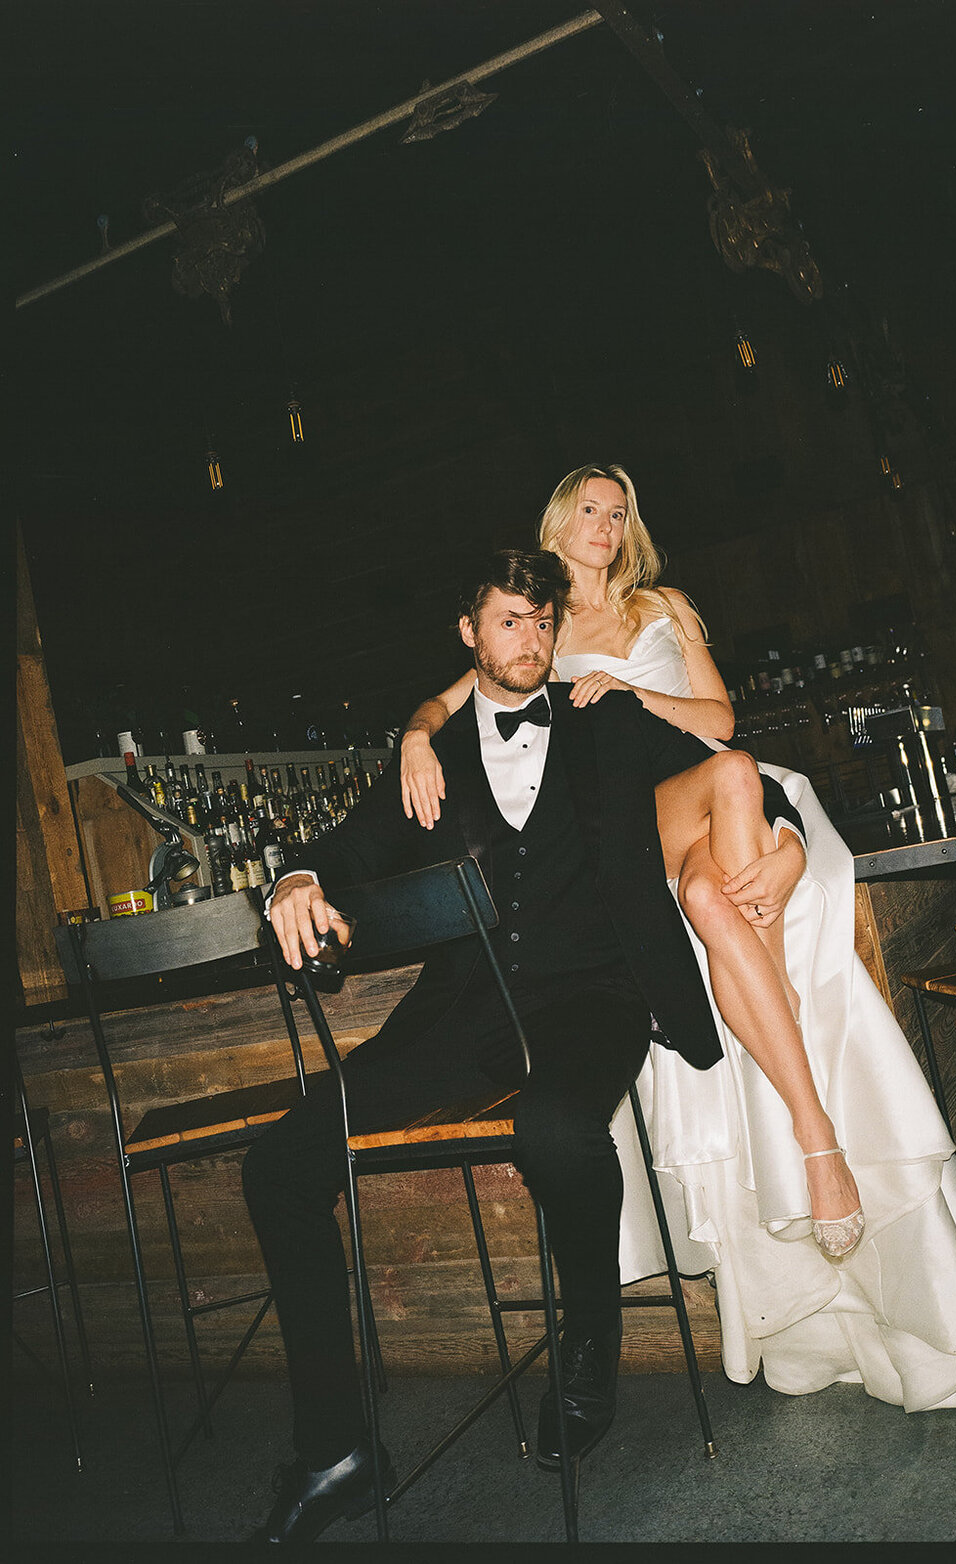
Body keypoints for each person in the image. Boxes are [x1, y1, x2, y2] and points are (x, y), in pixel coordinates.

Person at [399, 464, 956, 1415]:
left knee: (720, 887)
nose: (604, 524)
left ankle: (815, 1136)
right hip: (633, 825)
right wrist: (414, 740)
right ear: (557, 523)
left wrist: (630, 704)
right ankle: (809, 1112)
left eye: (618, 512)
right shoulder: (533, 626)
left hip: (713, 788)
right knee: (720, 851)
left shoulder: (663, 604)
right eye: (588, 510)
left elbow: (721, 723)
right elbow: (449, 700)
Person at [244, 547, 808, 1543]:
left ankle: (588, 1331)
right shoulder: (431, 757)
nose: (531, 640)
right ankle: (334, 1445)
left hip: (589, 999)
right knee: (277, 1166)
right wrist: (295, 877)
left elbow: (738, 767)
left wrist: (793, 838)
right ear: (469, 635)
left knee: (555, 1128)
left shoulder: (606, 722)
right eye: (509, 620)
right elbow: (351, 845)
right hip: (457, 1014)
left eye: (541, 621)